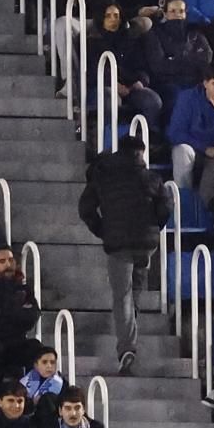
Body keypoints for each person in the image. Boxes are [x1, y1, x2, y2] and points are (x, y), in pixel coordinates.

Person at [79, 136, 169, 378]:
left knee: (122, 295)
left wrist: (102, 229)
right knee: (135, 290)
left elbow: (85, 208)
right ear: (141, 152)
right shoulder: (151, 177)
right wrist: (153, 229)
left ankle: (127, 348)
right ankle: (132, 332)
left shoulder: (104, 174)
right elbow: (165, 208)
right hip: (146, 243)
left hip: (118, 244)